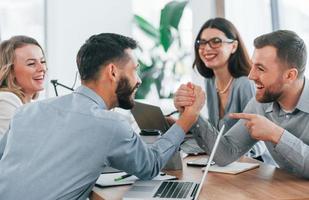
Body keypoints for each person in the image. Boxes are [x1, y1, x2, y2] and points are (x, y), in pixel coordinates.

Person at [0, 33, 205, 199]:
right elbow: (149, 165)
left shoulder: (26, 111)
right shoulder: (110, 124)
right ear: (113, 72)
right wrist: (187, 119)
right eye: (135, 70)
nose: (139, 80)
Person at [176, 30, 309, 178]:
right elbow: (225, 154)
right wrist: (193, 113)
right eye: (253, 66)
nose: (251, 75)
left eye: (260, 68)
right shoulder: (261, 104)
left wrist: (277, 135)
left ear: (290, 75)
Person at [177, 17, 273, 164]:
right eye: (202, 42)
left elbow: (259, 142)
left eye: (215, 41)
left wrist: (226, 152)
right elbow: (217, 131)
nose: (206, 48)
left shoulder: (245, 84)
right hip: (224, 163)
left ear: (233, 46)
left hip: (254, 165)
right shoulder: (211, 82)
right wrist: (185, 119)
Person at [0, 35, 46, 137]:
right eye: (31, 64)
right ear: (11, 72)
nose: (42, 68)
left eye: (42, 61)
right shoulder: (7, 99)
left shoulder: (29, 104)